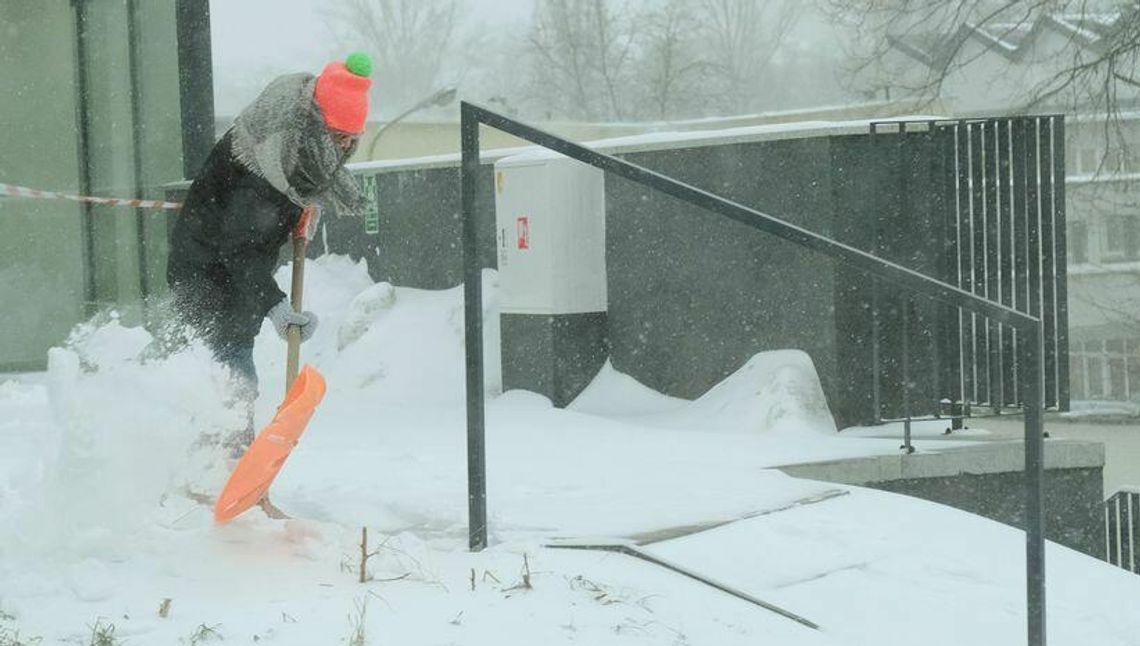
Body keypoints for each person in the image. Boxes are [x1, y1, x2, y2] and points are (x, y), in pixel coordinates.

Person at [167, 53, 373, 453]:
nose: (346, 147)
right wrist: (276, 305)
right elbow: (238, 246)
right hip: (204, 271)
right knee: (231, 378)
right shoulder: (268, 157)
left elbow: (279, 207)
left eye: (353, 138)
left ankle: (214, 472)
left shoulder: (301, 154)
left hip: (232, 272)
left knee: (229, 375)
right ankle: (212, 475)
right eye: (338, 136)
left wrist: (298, 212)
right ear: (316, 126)